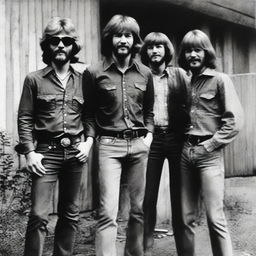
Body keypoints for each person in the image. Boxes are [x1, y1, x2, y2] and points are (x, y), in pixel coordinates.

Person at [15, 17, 94, 256]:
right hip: (45, 154)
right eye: (55, 41)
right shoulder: (34, 79)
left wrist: (88, 143)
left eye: (66, 41)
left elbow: (90, 116)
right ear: (47, 46)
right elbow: (25, 118)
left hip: (75, 154)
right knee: (39, 214)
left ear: (73, 47)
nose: (61, 45)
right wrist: (30, 153)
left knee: (70, 214)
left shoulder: (84, 79)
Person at [83, 14, 154, 256]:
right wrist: (91, 140)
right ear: (109, 39)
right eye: (118, 35)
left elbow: (149, 111)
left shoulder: (145, 73)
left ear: (135, 40)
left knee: (138, 209)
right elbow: (89, 113)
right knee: (108, 212)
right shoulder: (93, 72)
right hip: (109, 147)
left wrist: (149, 135)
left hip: (138, 145)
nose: (123, 40)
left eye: (128, 35)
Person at [177, 29, 244, 256]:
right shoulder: (186, 81)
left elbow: (234, 122)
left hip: (209, 154)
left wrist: (210, 145)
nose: (192, 55)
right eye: (188, 51)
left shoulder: (220, 80)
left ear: (206, 53)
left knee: (215, 217)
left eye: (197, 50)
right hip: (186, 152)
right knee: (186, 216)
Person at [140, 32, 189, 255]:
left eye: (160, 46)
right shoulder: (141, 76)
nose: (155, 50)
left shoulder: (179, 75)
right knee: (148, 198)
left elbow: (192, 105)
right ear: (146, 51)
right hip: (152, 140)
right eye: (151, 46)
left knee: (180, 198)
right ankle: (147, 249)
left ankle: (183, 250)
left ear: (166, 50)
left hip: (177, 140)